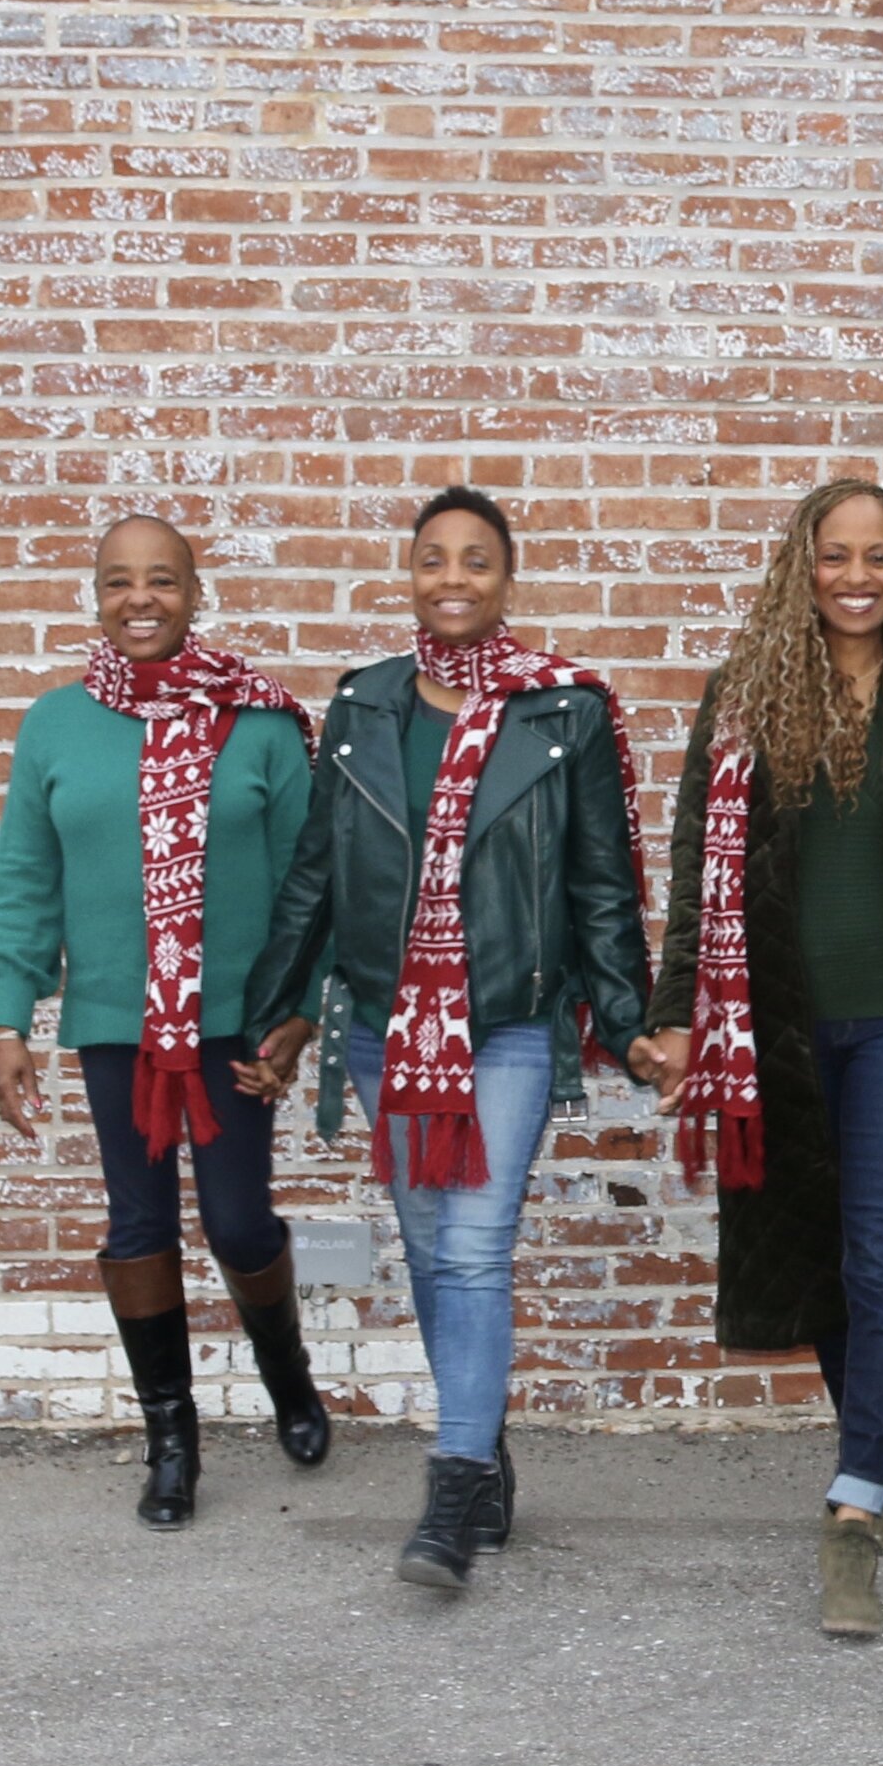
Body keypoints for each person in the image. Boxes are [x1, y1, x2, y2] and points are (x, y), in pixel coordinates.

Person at [244, 485, 657, 1591]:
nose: (455, 577)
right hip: (387, 1027)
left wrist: (630, 1021)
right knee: (433, 1255)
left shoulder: (563, 712)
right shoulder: (364, 706)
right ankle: (486, 1448)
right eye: (434, 559)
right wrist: (273, 1010)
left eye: (477, 559)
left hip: (509, 1025)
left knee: (473, 1251)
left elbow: (603, 887)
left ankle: (453, 1481)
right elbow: (317, 876)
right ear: (412, 576)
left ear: (506, 578)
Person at [637, 480, 883, 1639]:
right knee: (826, 1259)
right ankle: (872, 1439)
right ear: (798, 567)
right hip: (781, 1029)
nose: (855, 577)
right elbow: (697, 870)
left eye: (878, 556)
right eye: (832, 556)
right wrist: (674, 1013)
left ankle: (853, 1505)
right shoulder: (744, 697)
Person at [0, 515, 328, 1528]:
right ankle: (171, 1439)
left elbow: (315, 884)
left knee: (237, 1220)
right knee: (138, 1225)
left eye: (162, 580)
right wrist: (8, 1019)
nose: (141, 598)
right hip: (116, 1029)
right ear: (96, 594)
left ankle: (288, 1376)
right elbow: (24, 884)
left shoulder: (258, 723)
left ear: (193, 591)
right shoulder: (55, 724)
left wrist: (295, 1015)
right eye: (120, 581)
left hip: (234, 1028)